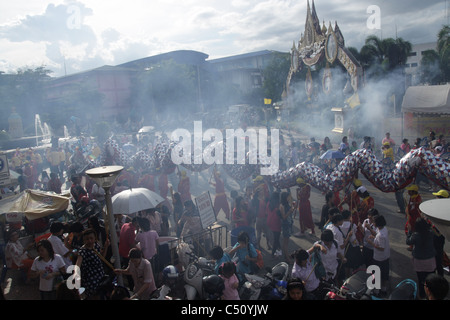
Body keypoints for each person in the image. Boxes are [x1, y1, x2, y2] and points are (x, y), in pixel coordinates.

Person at [406, 218, 436, 299]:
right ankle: (431, 295)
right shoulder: (430, 233)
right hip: (430, 260)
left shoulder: (415, 235)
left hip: (419, 260)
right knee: (431, 279)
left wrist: (409, 231)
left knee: (421, 280)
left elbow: (408, 241)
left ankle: (422, 295)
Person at [75, 228, 110, 299]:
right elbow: (77, 265)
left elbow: (102, 257)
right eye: (87, 239)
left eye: (91, 238)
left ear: (95, 238)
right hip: (91, 281)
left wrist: (106, 247)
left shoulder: (96, 245)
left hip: (101, 276)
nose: (90, 241)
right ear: (84, 240)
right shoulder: (83, 251)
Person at [366, 215, 390, 296]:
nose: (373, 223)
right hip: (385, 256)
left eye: (374, 222)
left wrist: (371, 243)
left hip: (379, 258)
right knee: (384, 275)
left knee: (377, 275)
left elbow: (381, 248)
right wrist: (374, 237)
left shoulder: (381, 235)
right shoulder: (384, 230)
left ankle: (376, 291)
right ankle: (383, 289)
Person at [405, 184, 422, 249]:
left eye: (410, 191)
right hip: (410, 217)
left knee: (411, 231)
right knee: (408, 230)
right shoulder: (412, 197)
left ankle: (412, 245)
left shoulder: (417, 198)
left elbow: (416, 207)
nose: (408, 192)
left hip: (414, 218)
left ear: (413, 191)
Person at [279, 191, 295, 263]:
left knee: (287, 241)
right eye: (288, 196)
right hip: (285, 225)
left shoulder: (286, 204)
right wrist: (290, 211)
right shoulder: (282, 206)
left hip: (289, 224)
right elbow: (284, 217)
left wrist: (292, 208)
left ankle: (286, 255)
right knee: (285, 242)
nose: (289, 197)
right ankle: (287, 258)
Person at [266, 192, 282, 258]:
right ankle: (273, 253)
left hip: (269, 221)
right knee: (276, 238)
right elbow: (281, 215)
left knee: (275, 237)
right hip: (276, 222)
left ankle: (279, 249)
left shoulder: (269, 203)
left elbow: (266, 212)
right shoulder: (278, 205)